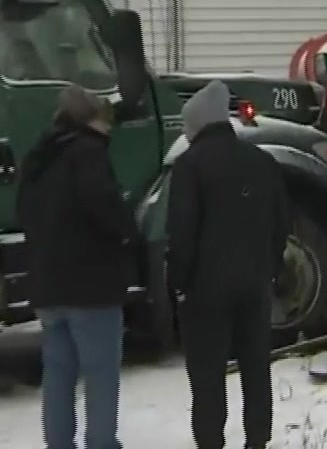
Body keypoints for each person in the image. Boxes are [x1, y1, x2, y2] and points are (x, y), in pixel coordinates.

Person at [167, 80, 292, 449]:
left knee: (207, 378)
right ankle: (258, 440)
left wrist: (179, 282)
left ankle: (210, 441)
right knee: (256, 368)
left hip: (205, 293)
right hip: (254, 286)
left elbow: (182, 232)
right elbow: (281, 223)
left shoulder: (188, 167)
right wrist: (268, 267)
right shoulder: (262, 161)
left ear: (197, 126)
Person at [15, 85, 137, 449]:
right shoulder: (88, 152)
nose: (110, 131)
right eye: (106, 122)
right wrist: (127, 232)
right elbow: (103, 207)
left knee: (58, 376)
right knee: (101, 377)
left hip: (48, 290)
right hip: (91, 289)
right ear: (92, 119)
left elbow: (23, 213)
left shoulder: (40, 158)